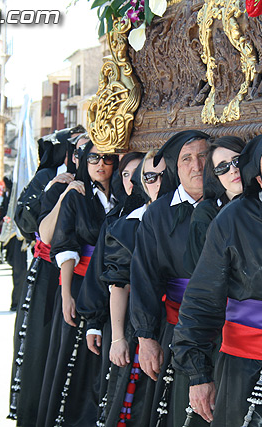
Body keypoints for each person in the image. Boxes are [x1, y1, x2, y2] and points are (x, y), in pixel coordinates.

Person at [172, 133, 262, 427]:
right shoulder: (232, 220)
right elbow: (202, 299)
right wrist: (198, 375)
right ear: (260, 180)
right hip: (245, 369)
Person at [129, 130, 210, 427]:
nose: (197, 166)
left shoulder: (229, 206)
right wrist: (146, 337)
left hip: (227, 329)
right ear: (176, 167)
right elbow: (144, 277)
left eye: (203, 156)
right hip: (176, 328)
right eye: (187, 159)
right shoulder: (157, 214)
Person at [38, 140, 120, 427]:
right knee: (74, 358)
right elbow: (63, 246)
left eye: (107, 159)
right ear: (84, 161)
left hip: (113, 288)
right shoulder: (77, 196)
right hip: (79, 285)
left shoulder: (124, 199)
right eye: (94, 158)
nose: (100, 164)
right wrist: (67, 295)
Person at [8, 127, 86, 425]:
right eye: (76, 149)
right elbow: (28, 224)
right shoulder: (48, 178)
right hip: (46, 276)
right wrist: (54, 186)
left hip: (81, 278)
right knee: (39, 347)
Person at [91, 150, 166, 427]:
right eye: (149, 177)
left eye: (162, 176)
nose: (157, 182)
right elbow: (118, 285)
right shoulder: (128, 224)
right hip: (140, 323)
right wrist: (118, 337)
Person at [74, 150, 146, 425]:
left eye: (140, 174)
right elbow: (99, 275)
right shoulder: (116, 218)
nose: (132, 181)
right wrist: (94, 321)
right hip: (119, 318)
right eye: (126, 175)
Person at [184, 135, 246, 274]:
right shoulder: (207, 213)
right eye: (222, 167)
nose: (233, 170)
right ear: (215, 176)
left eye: (237, 161)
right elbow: (202, 271)